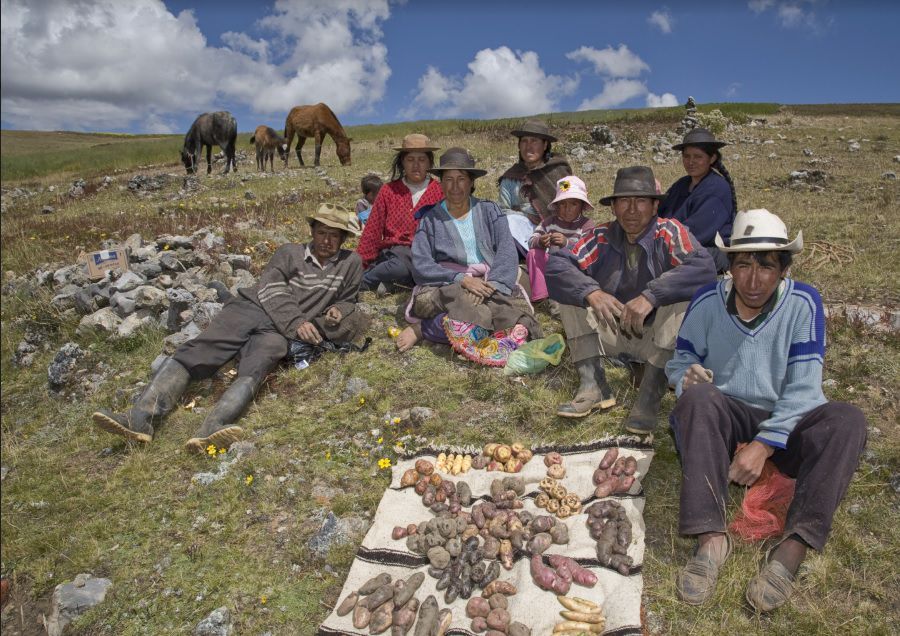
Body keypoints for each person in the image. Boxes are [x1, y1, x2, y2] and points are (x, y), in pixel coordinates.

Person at [665, 209, 867, 612]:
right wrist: (684, 377)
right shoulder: (707, 300)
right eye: (743, 265)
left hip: (786, 421)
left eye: (766, 267)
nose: (753, 280)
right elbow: (679, 358)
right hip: (727, 416)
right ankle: (710, 539)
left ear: (783, 269)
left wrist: (764, 445)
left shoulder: (803, 302)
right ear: (730, 266)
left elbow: (806, 388)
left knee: (848, 420)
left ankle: (791, 551)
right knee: (698, 399)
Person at [92, 204, 366, 452]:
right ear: (312, 231)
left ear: (343, 239)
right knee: (201, 349)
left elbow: (349, 298)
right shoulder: (289, 252)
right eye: (321, 233)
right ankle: (140, 419)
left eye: (334, 235)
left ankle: (212, 427)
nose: (326, 241)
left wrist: (338, 310)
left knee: (260, 363)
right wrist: (298, 323)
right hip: (251, 308)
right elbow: (271, 287)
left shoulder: (350, 263)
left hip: (278, 332)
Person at [545, 166, 716, 425]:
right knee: (574, 293)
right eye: (624, 201)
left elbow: (703, 268)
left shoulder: (669, 232)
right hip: (613, 333)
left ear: (655, 206)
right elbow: (558, 265)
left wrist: (652, 296)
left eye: (641, 201)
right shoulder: (600, 236)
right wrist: (591, 291)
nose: (632, 210)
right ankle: (593, 384)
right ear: (613, 207)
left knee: (681, 298)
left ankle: (650, 394)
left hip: (658, 339)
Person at [397, 147, 542, 360]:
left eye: (461, 179)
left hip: (488, 279)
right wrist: (461, 280)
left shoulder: (490, 210)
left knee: (517, 317)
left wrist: (492, 284)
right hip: (448, 282)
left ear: (472, 182)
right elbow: (421, 264)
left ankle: (459, 332)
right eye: (448, 179)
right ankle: (426, 329)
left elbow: (506, 249)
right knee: (463, 301)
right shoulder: (430, 219)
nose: (455, 186)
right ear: (441, 182)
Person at [356, 134, 444, 292]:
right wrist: (359, 265)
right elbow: (372, 231)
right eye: (410, 160)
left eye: (422, 160)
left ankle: (393, 283)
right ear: (402, 162)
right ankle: (364, 281)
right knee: (399, 266)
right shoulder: (388, 191)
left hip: (429, 253)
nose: (416, 165)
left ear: (429, 163)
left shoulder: (439, 191)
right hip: (397, 252)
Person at [657, 128, 737, 272]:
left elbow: (694, 234)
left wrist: (658, 242)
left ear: (712, 158)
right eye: (686, 156)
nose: (691, 162)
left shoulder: (717, 188)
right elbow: (660, 215)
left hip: (708, 252)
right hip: (675, 244)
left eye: (698, 156)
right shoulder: (682, 184)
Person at [497, 120, 573, 253]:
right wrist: (525, 215)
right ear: (519, 146)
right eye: (524, 141)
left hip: (556, 229)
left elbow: (572, 197)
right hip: (523, 230)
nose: (529, 146)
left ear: (545, 145)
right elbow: (503, 210)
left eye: (534, 141)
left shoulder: (559, 172)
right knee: (507, 221)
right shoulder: (510, 177)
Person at [526, 175, 596, 303]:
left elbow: (589, 252)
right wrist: (540, 242)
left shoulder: (586, 225)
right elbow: (531, 241)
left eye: (573, 204)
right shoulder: (549, 222)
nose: (567, 208)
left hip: (574, 268)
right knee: (533, 253)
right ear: (557, 205)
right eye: (562, 204)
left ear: (582, 206)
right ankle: (541, 296)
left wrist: (567, 243)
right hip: (550, 267)